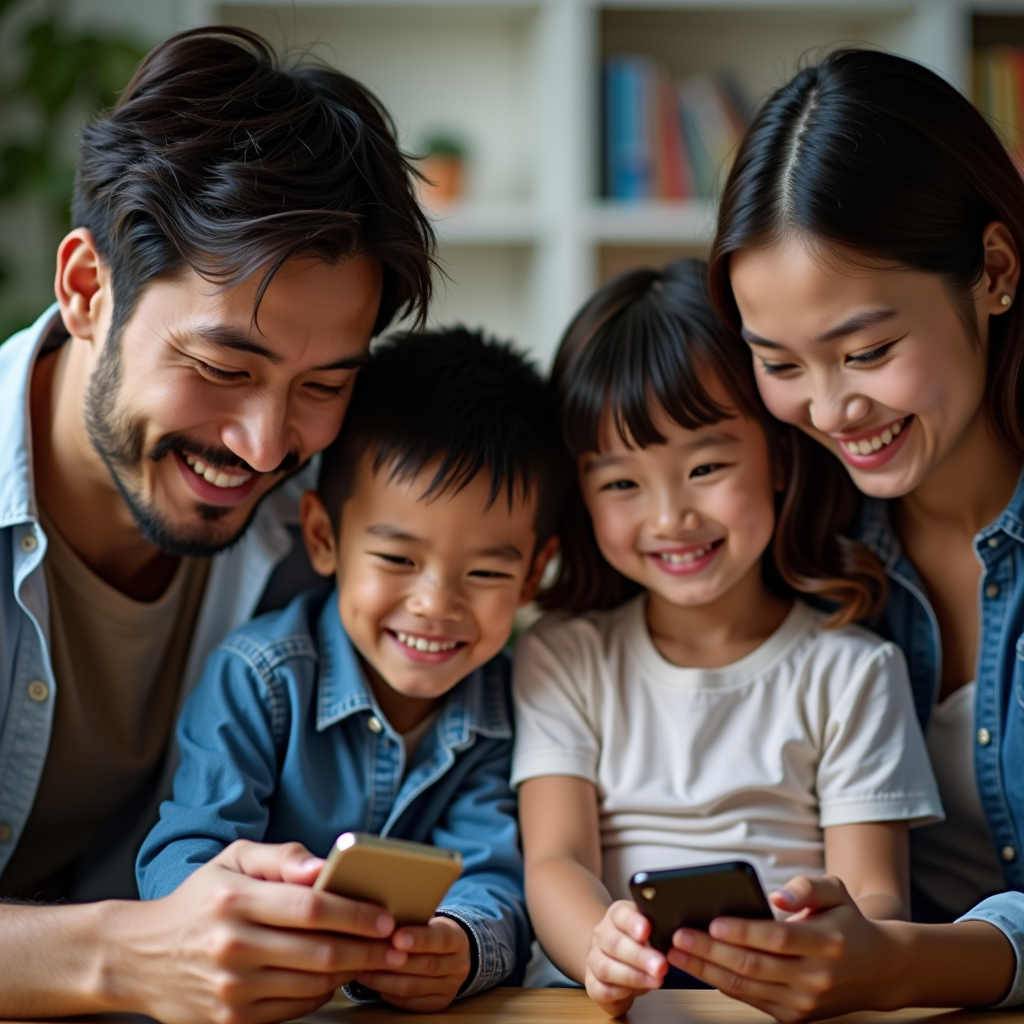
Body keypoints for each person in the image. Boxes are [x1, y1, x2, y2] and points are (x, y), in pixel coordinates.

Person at [0, 24, 437, 1024]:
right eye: (223, 369)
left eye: (322, 385)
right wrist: (121, 952)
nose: (263, 442)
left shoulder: (319, 530)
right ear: (84, 289)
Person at [665, 48, 1024, 1019]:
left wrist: (916, 961)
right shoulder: (790, 535)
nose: (829, 408)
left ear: (993, 272)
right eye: (778, 362)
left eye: (867, 350)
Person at [511, 259, 943, 1017]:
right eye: (621, 484)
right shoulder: (565, 656)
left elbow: (876, 890)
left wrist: (842, 934)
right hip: (613, 1004)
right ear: (581, 495)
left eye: (706, 466)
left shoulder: (853, 670)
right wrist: (596, 948)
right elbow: (557, 858)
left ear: (778, 457)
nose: (671, 517)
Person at [135, 328, 561, 1012]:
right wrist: (231, 908)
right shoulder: (258, 678)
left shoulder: (511, 703)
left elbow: (496, 878)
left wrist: (460, 944)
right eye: (398, 560)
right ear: (324, 538)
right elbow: (180, 855)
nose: (435, 605)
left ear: (534, 573)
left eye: (485, 572)